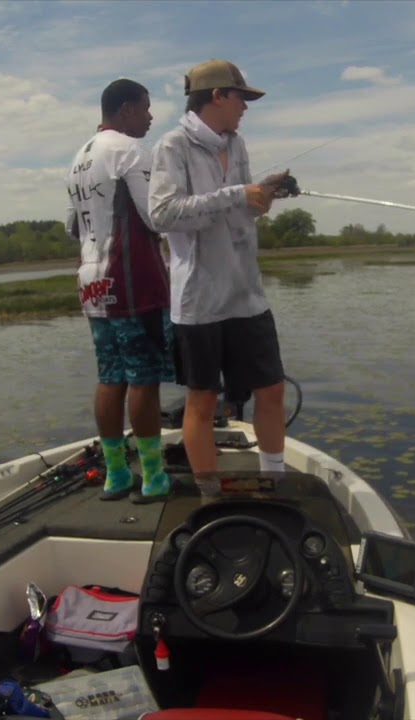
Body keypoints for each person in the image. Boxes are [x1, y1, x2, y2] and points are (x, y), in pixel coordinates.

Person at [147, 59, 295, 480]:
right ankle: (210, 493)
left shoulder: (239, 146)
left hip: (246, 293)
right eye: (241, 98)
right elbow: (162, 214)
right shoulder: (172, 146)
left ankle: (274, 480)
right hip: (200, 302)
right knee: (203, 401)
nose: (245, 108)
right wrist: (235, 195)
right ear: (217, 97)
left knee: (272, 389)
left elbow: (240, 213)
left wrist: (263, 198)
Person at [65, 78, 174, 503]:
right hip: (131, 279)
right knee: (143, 378)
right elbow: (157, 215)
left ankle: (115, 475)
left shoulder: (78, 159)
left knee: (110, 376)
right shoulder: (129, 149)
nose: (150, 117)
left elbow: (72, 226)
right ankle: (152, 477)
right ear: (126, 109)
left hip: (91, 281)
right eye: (146, 108)